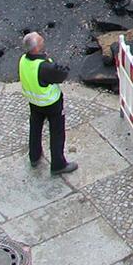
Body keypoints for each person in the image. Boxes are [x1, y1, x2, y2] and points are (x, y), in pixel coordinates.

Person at [19, 32, 77, 176]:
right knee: (57, 133)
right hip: (51, 104)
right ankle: (58, 164)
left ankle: (34, 156)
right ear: (37, 48)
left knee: (35, 127)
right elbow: (61, 75)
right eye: (41, 41)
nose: (43, 40)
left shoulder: (23, 60)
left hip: (34, 102)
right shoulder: (44, 67)